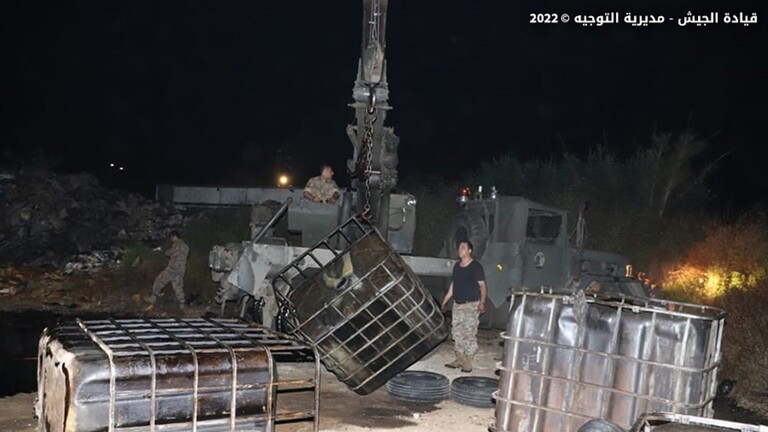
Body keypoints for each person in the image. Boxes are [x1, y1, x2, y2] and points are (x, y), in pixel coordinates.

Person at [441, 240, 487, 373]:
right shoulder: (457, 266)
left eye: (463, 247)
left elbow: (482, 286)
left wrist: (482, 302)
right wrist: (445, 301)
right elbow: (454, 284)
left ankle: (468, 361)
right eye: (459, 247)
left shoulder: (476, 267)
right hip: (458, 304)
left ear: (469, 251)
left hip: (471, 304)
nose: (459, 250)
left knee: (469, 333)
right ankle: (459, 358)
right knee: (457, 332)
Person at [144, 230, 189, 309]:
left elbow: (170, 252)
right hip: (181, 269)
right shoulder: (186, 246)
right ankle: (182, 303)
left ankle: (153, 297)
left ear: (174, 236)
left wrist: (166, 251)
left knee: (159, 279)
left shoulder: (177, 244)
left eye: (171, 238)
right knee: (178, 286)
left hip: (173, 268)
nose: (171, 240)